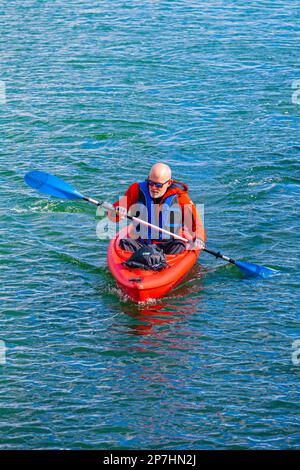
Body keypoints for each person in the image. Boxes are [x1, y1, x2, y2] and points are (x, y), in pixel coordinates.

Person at [108, 163, 205, 254]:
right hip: (141, 242)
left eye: (158, 185)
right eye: (150, 183)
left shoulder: (180, 196)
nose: (153, 188)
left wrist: (199, 238)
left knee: (179, 246)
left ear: (169, 183)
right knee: (124, 243)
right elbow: (112, 215)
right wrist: (117, 211)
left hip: (169, 244)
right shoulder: (136, 189)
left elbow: (196, 223)